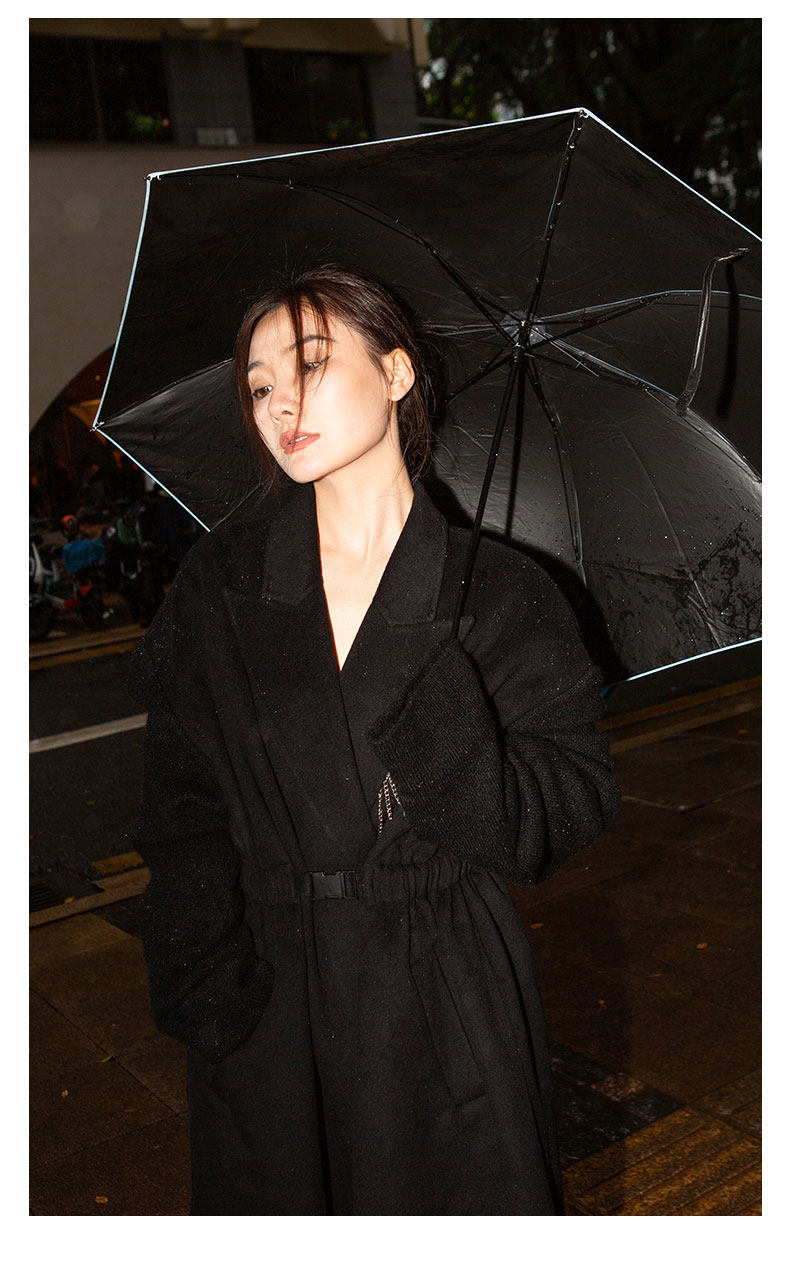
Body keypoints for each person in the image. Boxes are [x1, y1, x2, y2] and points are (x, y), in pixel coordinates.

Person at [127, 265, 620, 1216]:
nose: (280, 402)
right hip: (267, 1004)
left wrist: (453, 736)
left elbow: (565, 809)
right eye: (260, 386)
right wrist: (204, 981)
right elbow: (178, 804)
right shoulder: (218, 584)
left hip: (443, 997)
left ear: (396, 373)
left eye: (310, 363)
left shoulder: (505, 593)